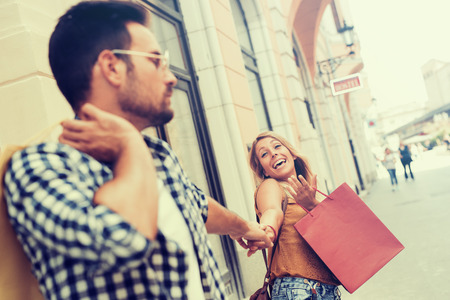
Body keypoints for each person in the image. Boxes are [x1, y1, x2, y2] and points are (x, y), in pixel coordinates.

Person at [3, 1, 271, 299]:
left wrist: (246, 228)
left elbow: (198, 207)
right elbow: (122, 241)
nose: (171, 77)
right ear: (112, 67)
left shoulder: (158, 155)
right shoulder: (40, 168)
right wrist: (130, 147)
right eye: (156, 61)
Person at [248, 131, 341, 300]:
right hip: (298, 289)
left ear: (291, 153)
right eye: (264, 154)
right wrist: (267, 230)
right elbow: (272, 211)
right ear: (264, 170)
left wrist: (312, 205)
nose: (273, 153)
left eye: (277, 146)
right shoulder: (271, 186)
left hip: (327, 289)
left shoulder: (311, 192)